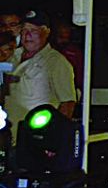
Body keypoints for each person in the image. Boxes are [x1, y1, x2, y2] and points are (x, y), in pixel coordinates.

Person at [5, 10, 76, 145]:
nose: (28, 35)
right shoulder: (10, 56)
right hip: (6, 138)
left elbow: (67, 103)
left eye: (34, 30)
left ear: (46, 32)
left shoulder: (56, 62)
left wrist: (52, 140)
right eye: (24, 30)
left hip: (33, 142)